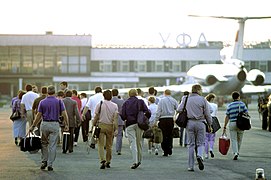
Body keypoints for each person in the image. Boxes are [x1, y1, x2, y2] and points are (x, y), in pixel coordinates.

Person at [29, 85, 69, 171]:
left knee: (43, 143)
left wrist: (33, 126)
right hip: (55, 124)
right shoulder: (59, 102)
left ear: (47, 92)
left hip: (45, 124)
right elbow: (64, 114)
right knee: (52, 145)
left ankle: (44, 161)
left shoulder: (42, 102)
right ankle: (50, 164)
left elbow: (38, 116)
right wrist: (67, 124)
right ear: (54, 92)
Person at [177, 84, 212, 171]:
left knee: (191, 144)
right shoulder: (202, 99)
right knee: (201, 143)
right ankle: (199, 156)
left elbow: (179, 109)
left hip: (189, 122)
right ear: (199, 90)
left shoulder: (186, 98)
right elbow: (207, 114)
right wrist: (210, 124)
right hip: (200, 123)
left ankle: (190, 166)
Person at [121, 89, 151, 169]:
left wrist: (127, 117)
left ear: (129, 95)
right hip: (139, 124)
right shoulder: (140, 101)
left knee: (133, 143)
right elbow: (148, 112)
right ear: (136, 94)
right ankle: (139, 160)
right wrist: (145, 118)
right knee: (139, 142)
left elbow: (123, 116)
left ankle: (135, 161)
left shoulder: (126, 103)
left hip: (130, 124)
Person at [93, 90, 118, 169]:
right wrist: (116, 128)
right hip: (110, 126)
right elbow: (115, 119)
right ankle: (108, 161)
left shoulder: (100, 104)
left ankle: (102, 160)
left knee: (100, 144)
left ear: (103, 96)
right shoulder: (115, 106)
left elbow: (96, 116)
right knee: (109, 145)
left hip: (101, 125)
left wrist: (93, 124)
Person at [223, 91, 248, 160]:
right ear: (239, 97)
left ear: (232, 97)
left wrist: (225, 125)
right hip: (241, 124)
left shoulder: (230, 105)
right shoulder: (242, 104)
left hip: (232, 123)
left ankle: (235, 153)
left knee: (234, 139)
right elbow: (246, 113)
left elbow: (227, 116)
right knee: (239, 139)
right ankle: (237, 152)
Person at [154, 89, 178, 157]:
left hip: (163, 119)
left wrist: (156, 120)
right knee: (170, 134)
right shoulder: (173, 100)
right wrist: (175, 116)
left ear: (164, 93)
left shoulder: (162, 100)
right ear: (170, 93)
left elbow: (158, 111)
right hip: (170, 118)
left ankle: (165, 151)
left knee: (163, 135)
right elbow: (178, 109)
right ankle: (170, 147)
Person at [111, 89, 125, 155]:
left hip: (110, 120)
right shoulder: (121, 101)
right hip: (119, 119)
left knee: (110, 135)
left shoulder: (110, 101)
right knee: (119, 135)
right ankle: (118, 150)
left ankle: (109, 147)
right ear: (117, 93)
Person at [204, 93, 218, 159]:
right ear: (212, 99)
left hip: (207, 120)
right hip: (214, 120)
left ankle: (206, 154)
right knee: (212, 138)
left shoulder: (206, 104)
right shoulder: (215, 105)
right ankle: (211, 149)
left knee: (206, 138)